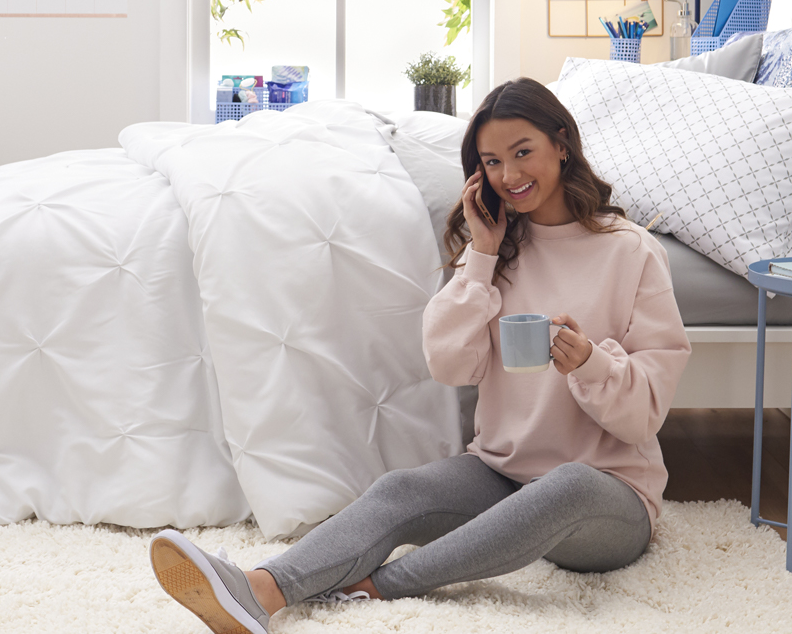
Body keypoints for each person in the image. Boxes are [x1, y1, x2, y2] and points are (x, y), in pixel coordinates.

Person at [148, 77, 691, 634]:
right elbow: (450, 366)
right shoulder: (497, 254)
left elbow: (645, 412)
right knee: (399, 490)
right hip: (504, 475)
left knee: (568, 484)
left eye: (523, 152)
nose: (510, 176)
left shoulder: (632, 252)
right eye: (493, 162)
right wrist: (480, 254)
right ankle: (259, 591)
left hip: (609, 498)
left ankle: (377, 587)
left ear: (561, 143)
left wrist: (589, 364)